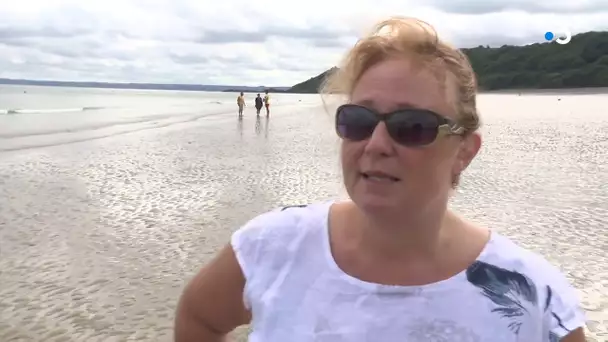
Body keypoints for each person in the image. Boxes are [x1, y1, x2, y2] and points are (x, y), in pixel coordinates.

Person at [174, 17, 586, 342]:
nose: (375, 144)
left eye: (411, 125)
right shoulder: (272, 247)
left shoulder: (532, 294)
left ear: (464, 150)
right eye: (358, 120)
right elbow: (199, 318)